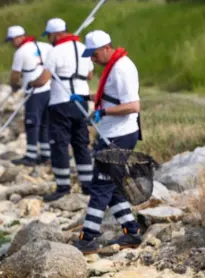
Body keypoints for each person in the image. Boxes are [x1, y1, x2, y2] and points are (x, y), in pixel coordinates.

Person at [71, 30, 142, 255]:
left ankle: (88, 238)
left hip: (120, 135)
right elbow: (110, 95)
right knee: (111, 188)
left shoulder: (121, 69)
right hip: (111, 134)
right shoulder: (113, 67)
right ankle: (131, 231)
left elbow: (133, 106)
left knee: (101, 186)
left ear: (107, 48)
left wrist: (103, 111)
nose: (92, 59)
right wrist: (87, 98)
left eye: (94, 54)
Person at [30, 18, 95, 202]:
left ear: (56, 34)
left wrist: (31, 83)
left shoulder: (55, 51)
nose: (49, 39)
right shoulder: (84, 48)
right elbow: (90, 75)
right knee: (81, 143)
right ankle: (87, 185)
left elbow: (43, 79)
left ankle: (63, 187)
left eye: (49, 35)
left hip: (61, 102)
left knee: (59, 144)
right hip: (81, 101)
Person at [6, 25, 53, 167]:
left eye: (12, 40)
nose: (12, 44)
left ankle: (30, 156)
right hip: (49, 89)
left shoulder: (20, 52)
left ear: (19, 38)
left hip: (34, 92)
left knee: (31, 123)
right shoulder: (44, 46)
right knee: (45, 123)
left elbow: (15, 75)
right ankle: (46, 154)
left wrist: (14, 86)